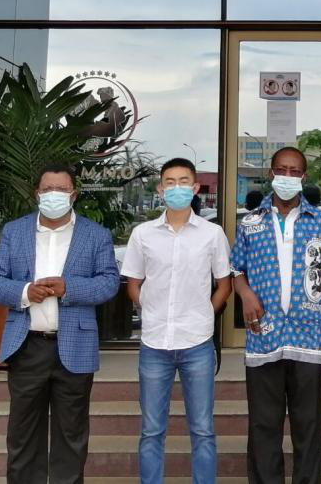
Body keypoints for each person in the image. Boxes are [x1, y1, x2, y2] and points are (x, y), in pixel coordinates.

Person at [0, 164, 121, 484]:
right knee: (23, 435)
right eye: (48, 189)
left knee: (71, 435)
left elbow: (109, 283)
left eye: (61, 189)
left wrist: (68, 288)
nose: (54, 195)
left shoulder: (95, 234)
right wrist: (25, 292)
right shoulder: (15, 231)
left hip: (74, 348)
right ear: (37, 194)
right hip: (27, 346)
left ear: (73, 195)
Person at [231, 146, 321, 484]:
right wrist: (245, 293)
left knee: (308, 427)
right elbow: (236, 268)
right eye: (282, 170)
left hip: (308, 338)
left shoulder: (320, 222)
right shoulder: (251, 222)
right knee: (263, 426)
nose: (287, 176)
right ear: (271, 173)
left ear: (303, 177)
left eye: (295, 171)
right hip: (263, 336)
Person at [121, 157, 232, 484]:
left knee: (203, 429)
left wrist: (206, 314)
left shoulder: (212, 234)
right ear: (160, 189)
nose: (177, 188)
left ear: (195, 188)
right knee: (151, 430)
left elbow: (224, 284)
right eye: (170, 182)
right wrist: (148, 309)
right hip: (154, 344)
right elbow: (133, 283)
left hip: (197, 343)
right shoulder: (143, 234)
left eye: (184, 182)